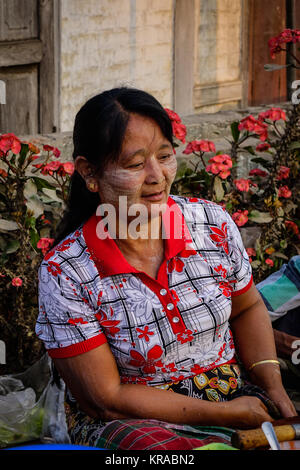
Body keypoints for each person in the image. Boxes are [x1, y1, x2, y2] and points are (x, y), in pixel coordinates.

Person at [35, 87, 296, 450]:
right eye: (135, 164)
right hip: (135, 423)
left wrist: (272, 386)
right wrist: (228, 415)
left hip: (235, 397)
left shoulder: (211, 223)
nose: (157, 176)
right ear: (89, 173)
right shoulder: (67, 273)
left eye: (165, 156)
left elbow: (247, 307)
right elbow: (106, 399)